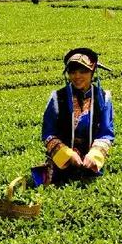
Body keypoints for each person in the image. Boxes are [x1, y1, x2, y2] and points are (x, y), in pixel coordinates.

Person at [37, 48, 114, 186]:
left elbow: (106, 133)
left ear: (92, 72)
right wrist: (68, 154)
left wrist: (94, 155)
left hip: (91, 164)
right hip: (61, 165)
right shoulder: (57, 98)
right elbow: (48, 133)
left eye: (83, 71)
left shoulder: (103, 98)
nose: (77, 76)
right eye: (72, 72)